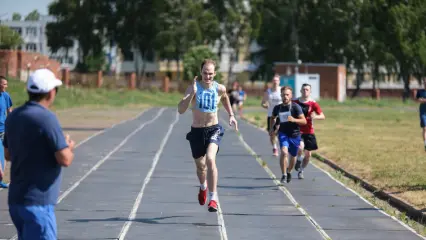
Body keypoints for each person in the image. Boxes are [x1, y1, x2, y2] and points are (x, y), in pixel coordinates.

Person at [4, 69, 75, 240]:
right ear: (51, 92)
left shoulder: (14, 117)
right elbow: (64, 158)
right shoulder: (46, 118)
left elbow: (8, 154)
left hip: (16, 200)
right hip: (38, 202)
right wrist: (68, 146)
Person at [178, 59, 238, 212]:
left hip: (213, 129)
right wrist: (190, 94)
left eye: (211, 73)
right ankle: (203, 186)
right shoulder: (193, 88)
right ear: (201, 72)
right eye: (205, 73)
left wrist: (231, 115)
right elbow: (181, 109)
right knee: (201, 167)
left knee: (211, 159)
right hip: (197, 131)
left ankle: (213, 198)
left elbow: (225, 98)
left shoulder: (220, 88)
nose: (208, 76)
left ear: (215, 74)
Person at [269, 86, 306, 183]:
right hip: (283, 133)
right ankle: (284, 174)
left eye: (287, 95)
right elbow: (272, 118)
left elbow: (304, 121)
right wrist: (272, 128)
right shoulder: (278, 107)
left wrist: (294, 119)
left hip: (295, 134)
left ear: (291, 95)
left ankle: (289, 171)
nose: (285, 97)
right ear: (281, 95)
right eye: (283, 95)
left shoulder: (296, 107)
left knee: (293, 156)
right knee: (284, 152)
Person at [293, 83, 325, 179]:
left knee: (308, 155)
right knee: (300, 147)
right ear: (300, 91)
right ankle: (298, 160)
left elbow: (323, 116)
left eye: (307, 89)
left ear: (310, 92)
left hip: (309, 131)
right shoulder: (295, 102)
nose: (305, 91)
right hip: (298, 130)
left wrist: (315, 116)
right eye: (304, 89)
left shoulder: (313, 103)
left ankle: (301, 171)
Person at [261, 74, 282, 156]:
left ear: (279, 82)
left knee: (281, 132)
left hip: (281, 115)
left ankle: (283, 147)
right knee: (272, 133)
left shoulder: (282, 90)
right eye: (274, 80)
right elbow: (262, 103)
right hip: (271, 115)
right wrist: (265, 105)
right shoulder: (268, 92)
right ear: (272, 82)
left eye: (277, 80)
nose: (275, 82)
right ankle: (274, 147)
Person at [0, 76, 13, 188]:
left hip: (3, 130)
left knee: (3, 157)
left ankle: (0, 180)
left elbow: (9, 112)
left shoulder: (6, 96)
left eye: (6, 84)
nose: (6, 86)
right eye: (4, 84)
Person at [415, 77, 426, 151]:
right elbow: (416, 100)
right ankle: (425, 144)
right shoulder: (420, 91)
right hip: (423, 112)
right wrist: (421, 100)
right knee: (425, 128)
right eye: (425, 82)